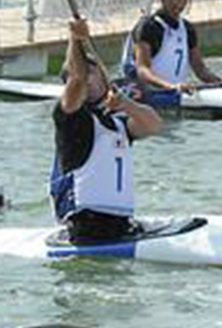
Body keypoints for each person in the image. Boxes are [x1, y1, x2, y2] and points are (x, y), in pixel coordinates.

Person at [50, 17, 164, 243]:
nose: (90, 80)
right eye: (86, 75)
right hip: (85, 222)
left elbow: (154, 125)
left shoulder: (118, 122)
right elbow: (77, 78)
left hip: (119, 221)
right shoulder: (71, 118)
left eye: (95, 74)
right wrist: (75, 39)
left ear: (105, 78)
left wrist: (126, 104)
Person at [121, 0, 222, 105]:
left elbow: (200, 70)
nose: (177, 2)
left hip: (174, 94)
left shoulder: (187, 29)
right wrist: (170, 87)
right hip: (147, 94)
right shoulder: (148, 27)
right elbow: (142, 70)